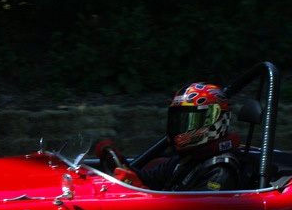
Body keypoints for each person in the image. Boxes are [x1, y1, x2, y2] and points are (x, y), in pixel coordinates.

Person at [96, 82, 250, 192]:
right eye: (180, 120)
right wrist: (118, 162)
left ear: (217, 120)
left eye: (191, 121)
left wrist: (140, 189)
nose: (183, 126)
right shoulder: (187, 158)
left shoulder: (220, 169)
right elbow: (145, 178)